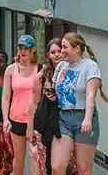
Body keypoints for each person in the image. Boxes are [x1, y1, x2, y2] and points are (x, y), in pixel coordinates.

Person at [51, 33, 108, 174]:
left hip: (82, 117)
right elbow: (55, 88)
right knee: (57, 166)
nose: (61, 51)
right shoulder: (62, 66)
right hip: (63, 118)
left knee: (83, 168)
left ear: (76, 48)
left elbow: (90, 95)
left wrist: (87, 118)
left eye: (65, 47)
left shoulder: (90, 66)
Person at [31, 39, 78, 174]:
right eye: (53, 52)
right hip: (46, 124)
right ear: (48, 55)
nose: (57, 55)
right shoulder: (42, 75)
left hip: (66, 122)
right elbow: (35, 103)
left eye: (59, 51)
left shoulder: (72, 71)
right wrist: (31, 129)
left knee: (69, 163)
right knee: (47, 163)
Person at [3, 35, 41, 174]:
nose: (23, 52)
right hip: (17, 117)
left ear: (33, 50)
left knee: (35, 156)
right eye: (20, 48)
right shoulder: (11, 70)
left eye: (26, 48)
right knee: (18, 158)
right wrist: (6, 118)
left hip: (35, 119)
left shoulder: (40, 69)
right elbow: (6, 96)